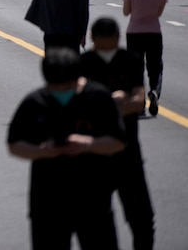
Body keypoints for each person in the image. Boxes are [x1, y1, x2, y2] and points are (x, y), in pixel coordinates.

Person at [8, 47, 126, 250]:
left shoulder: (98, 98)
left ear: (78, 76)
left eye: (67, 86)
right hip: (47, 204)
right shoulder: (35, 102)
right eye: (55, 87)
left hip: (93, 201)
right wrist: (43, 150)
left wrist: (88, 144)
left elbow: (119, 140)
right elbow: (14, 144)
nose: (61, 91)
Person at [81, 17, 155, 250]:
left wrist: (103, 107)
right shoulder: (84, 63)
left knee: (141, 218)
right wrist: (117, 102)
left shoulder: (129, 60)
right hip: (97, 154)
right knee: (99, 218)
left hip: (125, 150)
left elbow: (138, 100)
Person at [122, 0, 168, 117]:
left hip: (134, 32)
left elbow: (126, 11)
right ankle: (154, 91)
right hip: (154, 32)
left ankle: (139, 102)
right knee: (155, 67)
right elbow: (159, 13)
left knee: (136, 68)